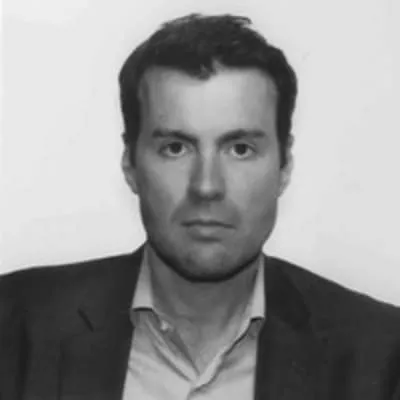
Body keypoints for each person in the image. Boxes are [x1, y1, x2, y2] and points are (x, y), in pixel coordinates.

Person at [0, 13, 399, 400]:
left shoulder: (383, 358)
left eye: (240, 149)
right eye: (176, 148)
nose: (207, 186)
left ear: (284, 166)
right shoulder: (12, 328)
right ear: (130, 163)